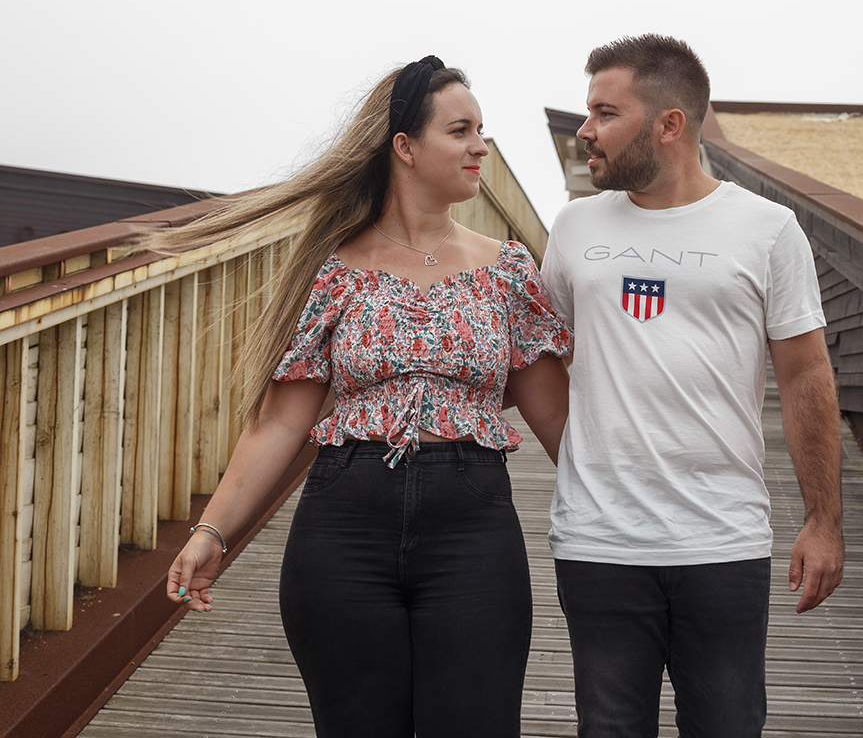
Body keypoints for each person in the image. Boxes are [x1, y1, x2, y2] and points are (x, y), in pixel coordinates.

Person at [154, 55, 572, 738]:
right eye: (461, 131)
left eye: (482, 130)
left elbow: (558, 422)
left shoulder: (508, 269)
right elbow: (279, 423)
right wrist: (211, 532)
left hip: (472, 532)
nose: (480, 148)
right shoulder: (335, 269)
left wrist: (634, 526)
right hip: (342, 530)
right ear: (405, 148)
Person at [540, 34, 844, 738]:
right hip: (599, 542)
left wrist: (824, 520)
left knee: (728, 727)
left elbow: (806, 377)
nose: (585, 130)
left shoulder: (768, 230)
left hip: (722, 540)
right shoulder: (576, 226)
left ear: (669, 124)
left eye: (604, 113)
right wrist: (581, 455)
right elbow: (539, 358)